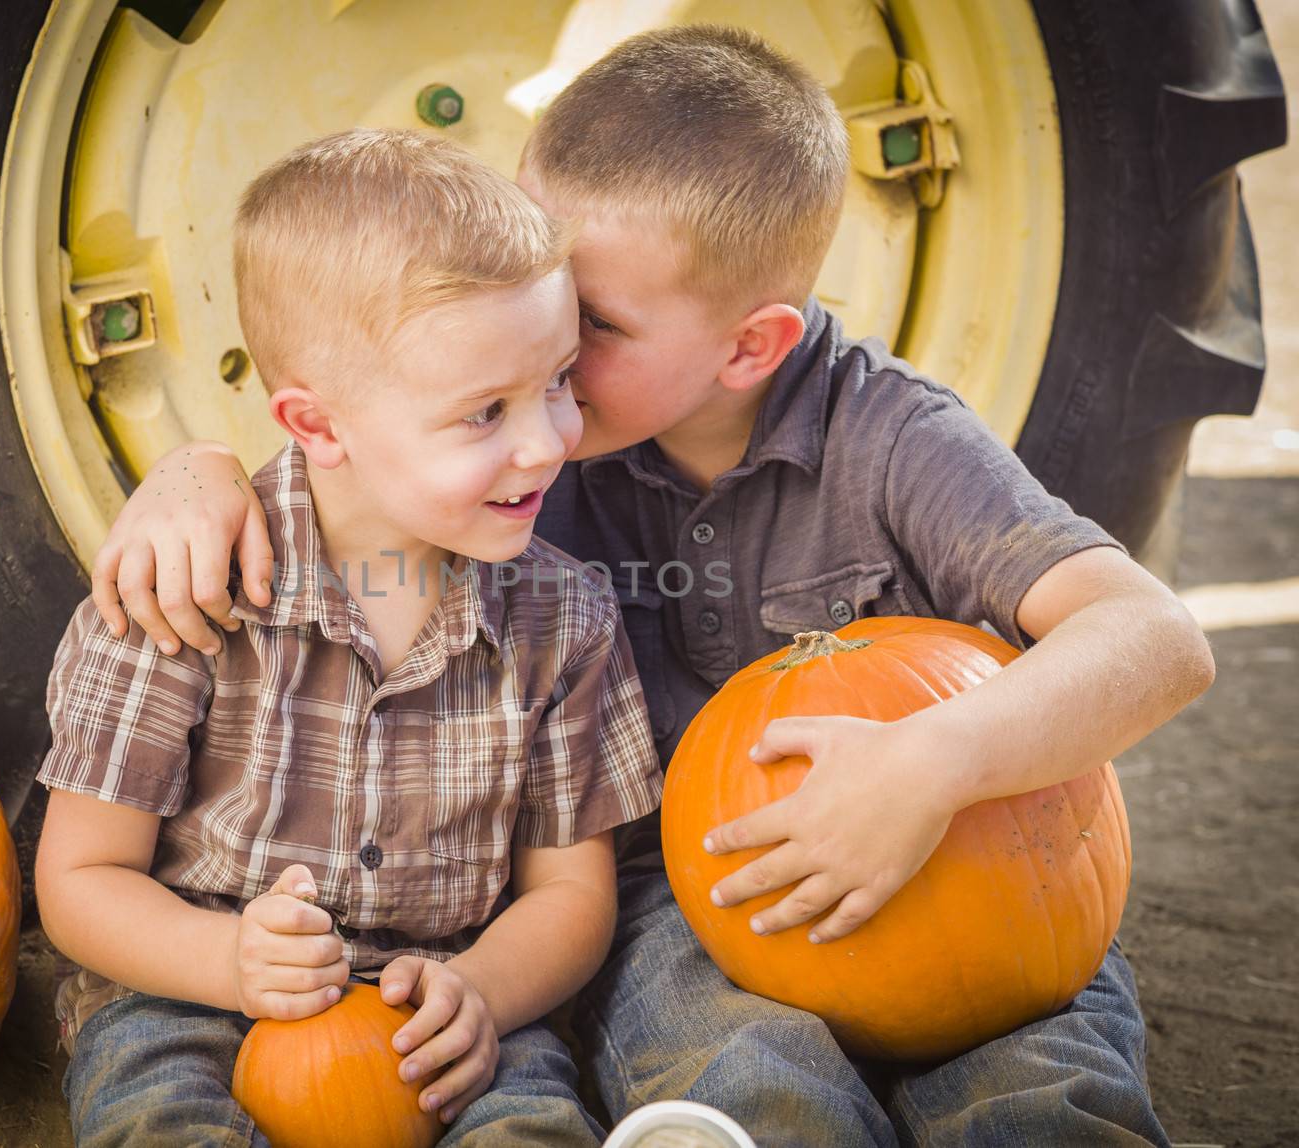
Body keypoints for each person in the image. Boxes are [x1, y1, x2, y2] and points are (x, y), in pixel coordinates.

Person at [92, 26, 1214, 1146]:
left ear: (748, 346)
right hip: (690, 892)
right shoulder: (539, 450)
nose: (545, 352)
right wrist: (196, 476)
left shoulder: (890, 438)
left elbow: (1154, 636)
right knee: (743, 1087)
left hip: (969, 862)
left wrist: (934, 760)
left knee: (1045, 1098)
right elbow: (364, 440)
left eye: (591, 324)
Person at [34, 127, 666, 1147]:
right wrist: (229, 958)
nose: (548, 438)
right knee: (159, 1124)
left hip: (448, 1002)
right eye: (483, 413)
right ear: (318, 425)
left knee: (530, 1128)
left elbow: (570, 892)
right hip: (192, 996)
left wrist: (484, 990)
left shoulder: (564, 619)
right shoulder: (182, 593)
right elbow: (78, 880)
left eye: (556, 380)